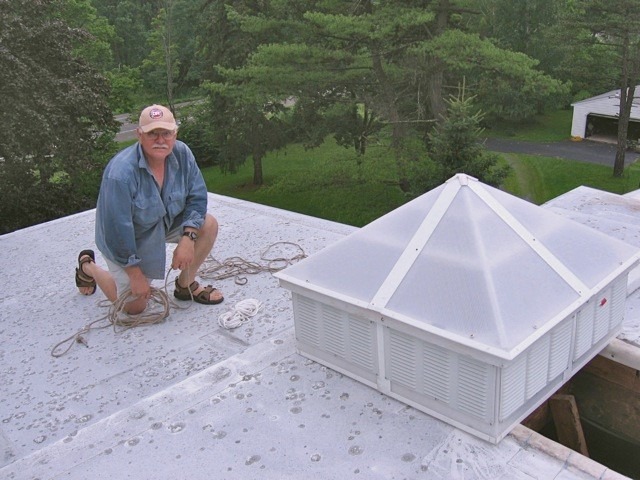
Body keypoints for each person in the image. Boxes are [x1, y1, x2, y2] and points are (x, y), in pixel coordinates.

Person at [75, 104, 224, 314]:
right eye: (153, 133)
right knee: (134, 307)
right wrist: (135, 275)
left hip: (163, 222)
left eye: (166, 133)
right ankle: (87, 266)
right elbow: (116, 232)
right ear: (139, 134)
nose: (161, 140)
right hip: (129, 239)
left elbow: (197, 197)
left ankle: (185, 286)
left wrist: (188, 238)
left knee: (208, 224)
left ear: (175, 133)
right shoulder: (120, 174)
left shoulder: (183, 154)